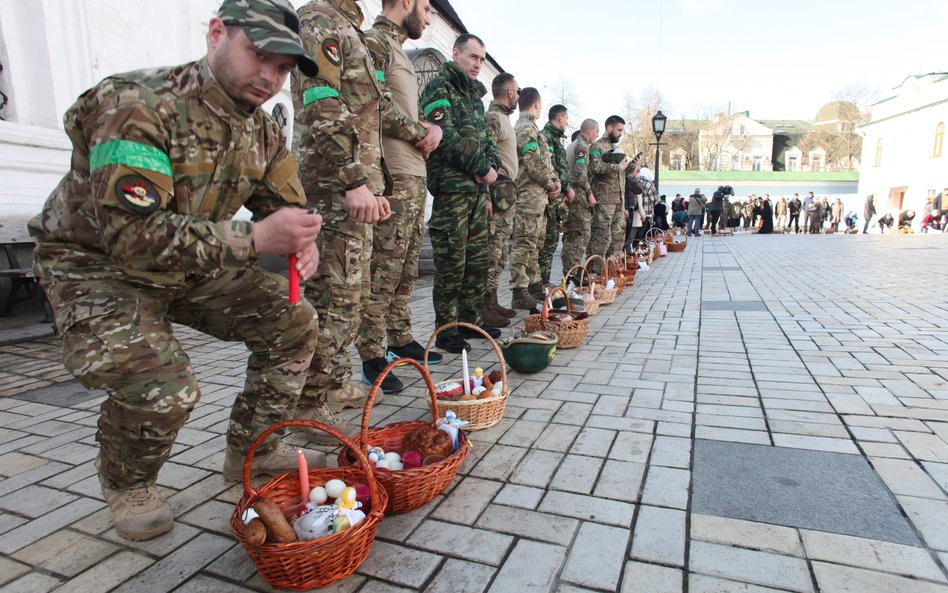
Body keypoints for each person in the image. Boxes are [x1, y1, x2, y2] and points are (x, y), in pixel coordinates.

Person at [28, 0, 327, 541]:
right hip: (98, 267)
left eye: (283, 68)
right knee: (164, 384)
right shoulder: (137, 105)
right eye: (259, 54)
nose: (270, 77)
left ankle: (255, 453)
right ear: (216, 33)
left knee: (294, 322)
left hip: (186, 264)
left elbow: (289, 209)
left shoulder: (261, 133)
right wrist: (258, 238)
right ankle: (129, 482)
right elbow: (133, 240)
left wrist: (302, 245)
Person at [292, 0, 392, 431]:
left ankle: (331, 384)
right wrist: (353, 179)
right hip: (333, 188)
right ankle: (304, 406)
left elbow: (365, 117)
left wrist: (371, 182)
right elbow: (321, 100)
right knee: (334, 302)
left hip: (355, 189)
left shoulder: (350, 28)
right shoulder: (319, 19)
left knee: (354, 296)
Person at [355, 0, 445, 394]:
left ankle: (399, 338)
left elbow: (403, 111)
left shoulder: (398, 53)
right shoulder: (374, 43)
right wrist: (420, 131)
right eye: (426, 8)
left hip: (412, 173)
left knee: (405, 270)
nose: (427, 17)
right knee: (383, 272)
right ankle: (372, 356)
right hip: (391, 174)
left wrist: (427, 128)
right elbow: (374, 106)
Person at [420, 33, 501, 352]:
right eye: (472, 57)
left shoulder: (474, 97)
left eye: (482, 59)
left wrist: (491, 163)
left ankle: (470, 320)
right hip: (453, 191)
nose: (478, 64)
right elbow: (447, 137)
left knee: (476, 261)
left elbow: (485, 140)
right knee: (452, 262)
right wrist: (483, 166)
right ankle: (447, 329)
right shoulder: (439, 87)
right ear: (456, 54)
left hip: (477, 192)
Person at [508, 88, 559, 310]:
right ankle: (519, 292)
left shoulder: (532, 128)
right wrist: (550, 183)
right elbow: (533, 162)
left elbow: (545, 163)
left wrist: (554, 180)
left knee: (534, 245)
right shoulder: (526, 128)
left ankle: (534, 286)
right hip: (528, 198)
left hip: (538, 199)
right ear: (537, 104)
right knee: (525, 244)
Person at [483, 72, 520, 327]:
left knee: (500, 251)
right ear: (509, 93)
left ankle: (493, 300)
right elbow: (485, 154)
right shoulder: (494, 118)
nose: (518, 96)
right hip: (496, 195)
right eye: (516, 91)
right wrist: (485, 195)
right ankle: (485, 305)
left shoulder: (504, 119)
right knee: (492, 251)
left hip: (506, 195)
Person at [587, 115, 630, 272]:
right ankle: (596, 271)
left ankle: (613, 269)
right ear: (609, 128)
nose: (620, 134)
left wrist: (630, 167)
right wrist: (616, 167)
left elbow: (622, 173)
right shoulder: (597, 147)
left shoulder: (618, 149)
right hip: (604, 200)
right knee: (602, 237)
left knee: (618, 235)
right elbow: (595, 168)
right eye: (619, 130)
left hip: (619, 199)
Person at [539, 104, 573, 286]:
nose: (567, 123)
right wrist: (564, 187)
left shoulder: (556, 138)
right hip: (551, 195)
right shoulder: (547, 137)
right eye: (566, 119)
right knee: (547, 241)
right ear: (560, 118)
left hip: (559, 195)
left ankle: (542, 281)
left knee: (551, 241)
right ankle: (540, 282)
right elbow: (550, 167)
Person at [561, 119, 598, 273]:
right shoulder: (583, 145)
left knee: (571, 235)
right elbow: (581, 173)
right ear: (590, 131)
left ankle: (569, 271)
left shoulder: (573, 144)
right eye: (596, 132)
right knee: (582, 233)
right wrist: (589, 194)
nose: (596, 136)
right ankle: (573, 271)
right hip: (578, 195)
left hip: (570, 193)